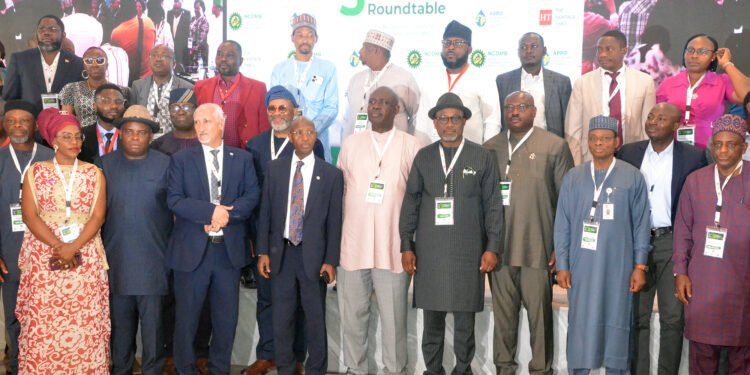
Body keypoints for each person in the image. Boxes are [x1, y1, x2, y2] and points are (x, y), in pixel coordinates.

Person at [400, 92, 502, 374]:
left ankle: (463, 369)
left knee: (465, 323)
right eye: (442, 119)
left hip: (467, 251)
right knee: (431, 321)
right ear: (434, 124)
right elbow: (411, 202)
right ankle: (433, 370)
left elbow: (493, 205)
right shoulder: (424, 157)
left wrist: (492, 246)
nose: (448, 124)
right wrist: (406, 245)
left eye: (455, 118)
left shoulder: (481, 156)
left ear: (464, 121)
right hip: (430, 252)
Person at [483, 91, 574, 374]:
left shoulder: (554, 146)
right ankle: (504, 369)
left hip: (538, 249)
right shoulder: (489, 148)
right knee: (504, 320)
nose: (514, 111)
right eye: (509, 107)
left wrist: (561, 248)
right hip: (499, 251)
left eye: (522, 106)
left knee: (540, 321)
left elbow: (567, 203)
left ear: (535, 111)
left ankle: (541, 370)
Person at [167, 103, 259, 375]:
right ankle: (185, 369)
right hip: (191, 252)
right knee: (186, 319)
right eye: (197, 122)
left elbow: (252, 196)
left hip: (227, 254)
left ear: (222, 123)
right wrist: (211, 212)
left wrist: (224, 217)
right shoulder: (181, 160)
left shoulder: (242, 159)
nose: (200, 127)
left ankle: (220, 369)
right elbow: (174, 200)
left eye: (206, 121)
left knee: (225, 319)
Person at [554, 115, 651, 374]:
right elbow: (562, 224)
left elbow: (641, 224)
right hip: (581, 266)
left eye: (605, 139)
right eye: (594, 139)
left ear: (616, 142)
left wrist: (639, 265)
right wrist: (562, 265)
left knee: (617, 320)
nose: (599, 143)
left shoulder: (632, 177)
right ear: (587, 142)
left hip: (618, 266)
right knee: (581, 322)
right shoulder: (573, 177)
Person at [17, 108, 110, 373]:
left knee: (84, 322)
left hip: (85, 254)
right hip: (46, 255)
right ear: (53, 140)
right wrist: (61, 247)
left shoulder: (95, 173)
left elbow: (98, 216)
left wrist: (74, 246)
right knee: (46, 320)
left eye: (77, 136)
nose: (74, 142)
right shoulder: (34, 172)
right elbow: (30, 216)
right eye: (66, 136)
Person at [617, 103, 707, 375]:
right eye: (651, 116)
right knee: (637, 316)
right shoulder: (628, 153)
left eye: (661, 118)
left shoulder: (693, 157)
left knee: (672, 317)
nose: (653, 121)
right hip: (635, 242)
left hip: (672, 241)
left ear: (676, 125)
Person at [338, 87, 422, 375]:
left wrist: (411, 243)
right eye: (372, 102)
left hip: (393, 245)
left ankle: (395, 369)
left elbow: (417, 198)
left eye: (384, 103)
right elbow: (343, 189)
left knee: (394, 318)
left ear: (397, 109)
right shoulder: (350, 143)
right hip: (354, 243)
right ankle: (355, 368)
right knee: (353, 315)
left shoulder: (412, 145)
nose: (376, 107)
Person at [242, 86, 324, 375]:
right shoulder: (255, 144)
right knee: (266, 298)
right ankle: (267, 354)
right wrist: (254, 239)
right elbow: (249, 194)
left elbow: (318, 195)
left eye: (283, 108)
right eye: (273, 108)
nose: (278, 113)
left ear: (294, 111)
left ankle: (295, 357)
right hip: (265, 237)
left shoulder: (308, 141)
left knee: (300, 300)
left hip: (299, 239)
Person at [256, 116, 343, 375]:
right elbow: (266, 215)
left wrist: (330, 259)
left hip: (314, 258)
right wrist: (262, 251)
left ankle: (316, 369)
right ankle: (285, 368)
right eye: (299, 133)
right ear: (291, 137)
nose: (305, 137)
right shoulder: (275, 169)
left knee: (315, 319)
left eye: (310, 132)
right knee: (282, 319)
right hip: (281, 255)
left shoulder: (331, 174)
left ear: (316, 136)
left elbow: (334, 222)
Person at [673, 114, 750, 374]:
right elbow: (682, 230)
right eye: (718, 144)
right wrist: (680, 272)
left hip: (742, 282)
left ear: (744, 147)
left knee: (742, 355)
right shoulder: (695, 180)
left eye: (731, 144)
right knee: (702, 355)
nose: (723, 150)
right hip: (702, 281)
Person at [99, 105, 172, 375]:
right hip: (116, 262)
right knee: (120, 331)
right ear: (120, 134)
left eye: (141, 133)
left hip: (154, 261)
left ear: (150, 136)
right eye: (129, 132)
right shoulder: (105, 165)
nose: (135, 137)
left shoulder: (165, 164)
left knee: (154, 331)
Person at [0, 100, 55, 375]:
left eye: (24, 121)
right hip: (9, 253)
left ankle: (44, 365)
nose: (18, 126)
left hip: (47, 254)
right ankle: (17, 366)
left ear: (35, 125)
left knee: (46, 314)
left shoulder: (51, 157)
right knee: (14, 316)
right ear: (4, 124)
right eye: (12, 121)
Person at [565, 30, 656, 164]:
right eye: (599, 50)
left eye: (609, 49)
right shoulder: (583, 83)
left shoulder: (644, 81)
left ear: (623, 50)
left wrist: (646, 161)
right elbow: (572, 130)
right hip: (591, 158)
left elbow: (647, 127)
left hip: (631, 158)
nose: (602, 54)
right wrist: (576, 166)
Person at [656, 34, 750, 149]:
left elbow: (746, 96)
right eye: (690, 50)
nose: (694, 55)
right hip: (674, 149)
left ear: (713, 56)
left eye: (703, 51)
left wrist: (727, 64)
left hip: (710, 149)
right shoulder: (668, 84)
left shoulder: (721, 81)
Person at [416, 20, 501, 146]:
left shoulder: (483, 79)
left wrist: (486, 155)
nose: (451, 47)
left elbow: (492, 122)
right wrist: (421, 154)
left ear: (470, 49)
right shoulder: (430, 80)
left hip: (471, 157)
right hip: (433, 157)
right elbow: (422, 123)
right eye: (447, 43)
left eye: (458, 43)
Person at [270, 13, 338, 162]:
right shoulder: (279, 70)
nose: (305, 39)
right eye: (300, 35)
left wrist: (310, 130)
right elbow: (274, 106)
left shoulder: (327, 69)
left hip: (317, 140)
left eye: (310, 35)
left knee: (318, 182)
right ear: (292, 38)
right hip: (287, 139)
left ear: (316, 39)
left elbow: (332, 107)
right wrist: (292, 131)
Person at [341, 29, 421, 140]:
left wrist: (409, 147)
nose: (359, 52)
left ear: (375, 51)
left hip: (393, 150)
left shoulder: (404, 78)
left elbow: (416, 116)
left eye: (364, 48)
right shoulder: (356, 79)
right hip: (357, 151)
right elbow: (347, 119)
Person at [194, 40, 270, 149]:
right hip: (209, 153)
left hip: (246, 154)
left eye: (230, 55)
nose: (223, 59)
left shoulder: (258, 88)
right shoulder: (201, 87)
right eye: (219, 54)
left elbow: (265, 128)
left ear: (241, 61)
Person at [496, 32, 572, 138]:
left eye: (534, 46)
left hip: (550, 145)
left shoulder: (561, 82)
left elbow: (568, 121)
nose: (528, 51)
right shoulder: (503, 81)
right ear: (518, 52)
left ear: (544, 50)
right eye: (523, 47)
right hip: (514, 145)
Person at [1, 15, 84, 111]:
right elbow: (9, 95)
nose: (46, 33)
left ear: (63, 35)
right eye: (41, 29)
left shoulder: (77, 63)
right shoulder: (20, 60)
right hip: (30, 122)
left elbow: (81, 99)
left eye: (52, 29)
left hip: (65, 123)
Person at [129, 44, 194, 137]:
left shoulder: (187, 88)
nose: (158, 59)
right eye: (154, 55)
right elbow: (133, 117)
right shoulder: (138, 86)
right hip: (145, 142)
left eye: (164, 56)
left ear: (174, 63)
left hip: (174, 143)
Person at [60, 47, 128, 127]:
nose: (94, 65)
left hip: (111, 137)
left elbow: (125, 122)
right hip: (82, 137)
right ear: (84, 66)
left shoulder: (121, 91)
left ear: (107, 65)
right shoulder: (71, 88)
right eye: (89, 61)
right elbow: (66, 121)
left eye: (100, 60)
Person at [110, 0, 156, 84]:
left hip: (129, 81)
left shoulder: (116, 33)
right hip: (150, 79)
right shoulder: (149, 23)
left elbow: (116, 60)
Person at [79, 84, 126, 163]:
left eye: (118, 102)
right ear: (94, 106)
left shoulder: (128, 135)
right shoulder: (82, 136)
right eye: (106, 101)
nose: (114, 106)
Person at [151, 87, 200, 155]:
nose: (181, 112)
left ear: (196, 110)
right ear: (169, 112)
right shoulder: (158, 146)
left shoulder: (207, 142)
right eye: (175, 108)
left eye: (186, 107)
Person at [167, 0, 191, 71]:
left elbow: (187, 34)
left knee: (181, 71)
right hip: (171, 48)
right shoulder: (169, 13)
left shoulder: (187, 14)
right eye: (175, 1)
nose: (176, 3)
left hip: (182, 50)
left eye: (178, 1)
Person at [188, 0, 209, 75]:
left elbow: (202, 38)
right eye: (195, 8)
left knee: (199, 75)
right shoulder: (193, 19)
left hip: (200, 51)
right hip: (191, 51)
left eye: (198, 8)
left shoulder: (204, 21)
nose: (196, 10)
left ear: (202, 8)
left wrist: (193, 48)